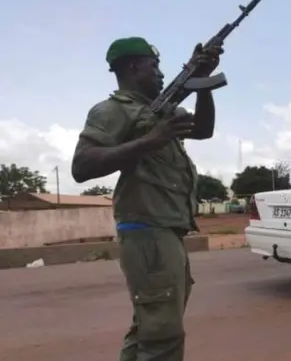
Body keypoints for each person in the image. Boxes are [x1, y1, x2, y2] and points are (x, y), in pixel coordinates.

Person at [71, 37, 222, 361]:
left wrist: (202, 84)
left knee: (150, 326)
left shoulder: (160, 111)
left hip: (166, 230)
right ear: (132, 66)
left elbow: (204, 129)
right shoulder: (111, 111)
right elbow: (82, 166)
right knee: (163, 334)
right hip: (147, 231)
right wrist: (151, 140)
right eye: (154, 66)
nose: (160, 74)